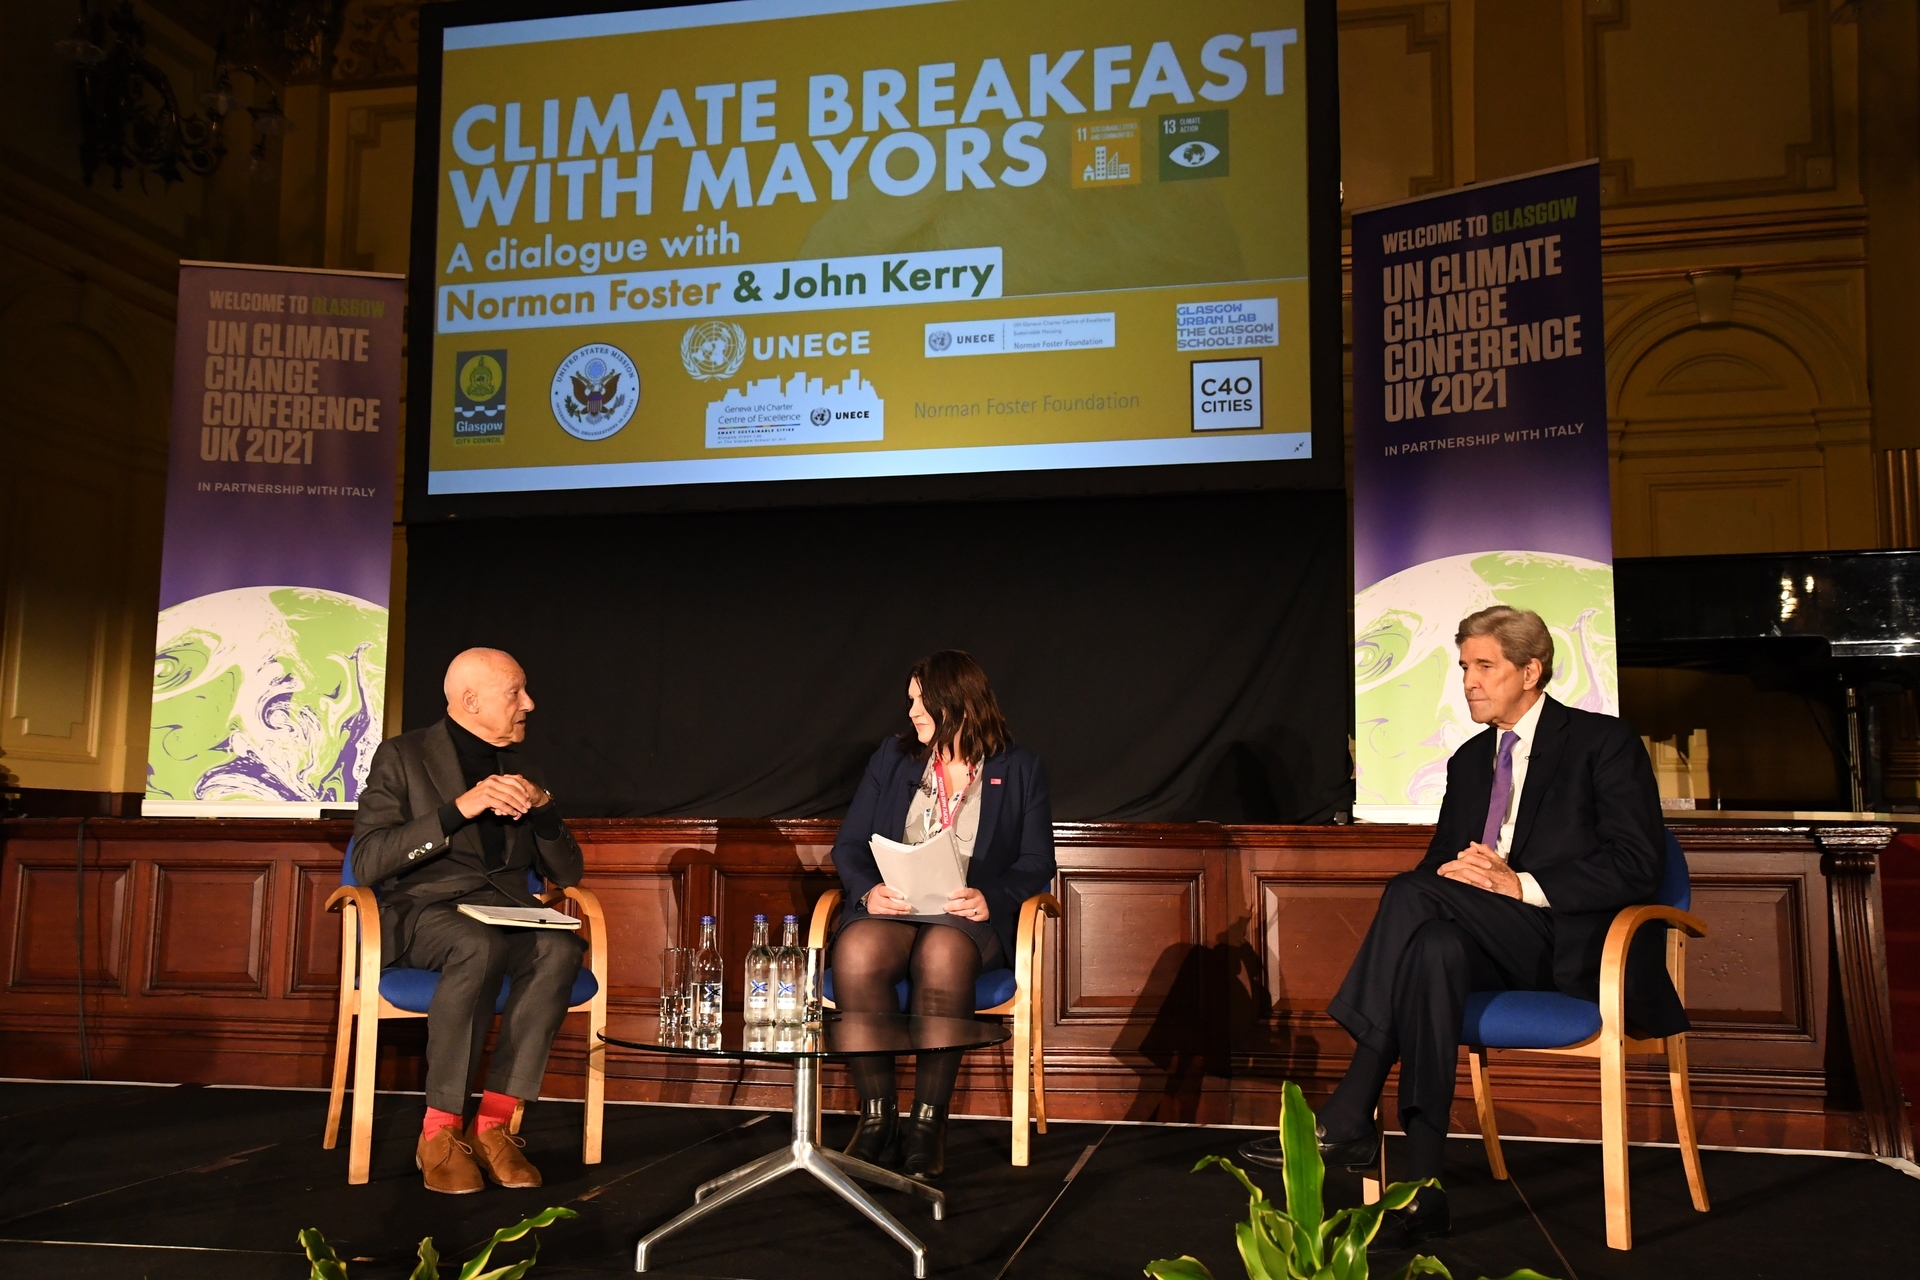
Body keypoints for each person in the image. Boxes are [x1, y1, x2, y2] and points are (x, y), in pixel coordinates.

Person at [1239, 606, 1687, 1250]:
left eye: (1485, 667)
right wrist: (1472, 883)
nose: (1469, 682)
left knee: (1411, 899)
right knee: (1431, 948)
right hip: (1486, 945)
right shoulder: (1472, 760)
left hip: (1575, 946)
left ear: (1531, 670)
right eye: (1463, 668)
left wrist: (1521, 885)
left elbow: (1638, 865)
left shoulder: (1603, 742)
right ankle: (1424, 1194)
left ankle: (1351, 1106)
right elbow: (1441, 875)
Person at [352, 647, 586, 1194]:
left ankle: (494, 1125)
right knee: (476, 945)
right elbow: (369, 861)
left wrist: (544, 805)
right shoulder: (403, 756)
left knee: (560, 950)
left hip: (505, 909)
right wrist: (463, 807)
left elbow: (568, 870)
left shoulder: (527, 769)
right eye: (515, 693)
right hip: (426, 910)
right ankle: (439, 1132)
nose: (529, 703)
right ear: (470, 699)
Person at [828, 650, 1057, 1180]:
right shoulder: (894, 758)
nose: (911, 712)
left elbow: (1036, 862)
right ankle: (877, 1117)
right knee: (858, 951)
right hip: (896, 908)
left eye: (920, 701)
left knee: (943, 951)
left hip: (967, 918)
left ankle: (928, 1124)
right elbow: (848, 846)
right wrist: (868, 891)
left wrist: (990, 898)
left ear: (956, 701)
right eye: (911, 702)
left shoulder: (1018, 768)